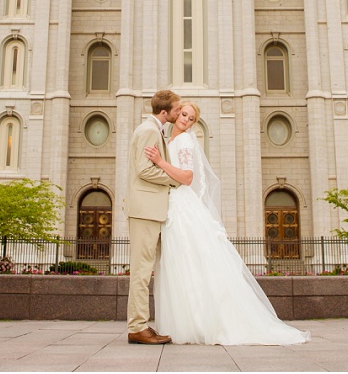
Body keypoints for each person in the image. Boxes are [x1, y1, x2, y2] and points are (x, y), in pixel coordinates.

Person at [144, 103, 309, 345]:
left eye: (191, 118)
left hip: (182, 205)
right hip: (175, 205)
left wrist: (159, 161)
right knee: (182, 262)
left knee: (189, 261)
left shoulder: (185, 142)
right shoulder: (171, 139)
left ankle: (203, 323)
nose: (185, 119)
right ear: (176, 112)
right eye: (183, 114)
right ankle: (191, 322)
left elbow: (187, 177)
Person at [125, 89, 183, 345]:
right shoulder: (149, 130)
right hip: (145, 210)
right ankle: (137, 327)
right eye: (176, 109)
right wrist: (174, 180)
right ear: (164, 112)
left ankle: (144, 325)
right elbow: (143, 170)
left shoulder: (154, 130)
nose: (179, 113)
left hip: (151, 209)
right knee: (141, 271)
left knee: (148, 268)